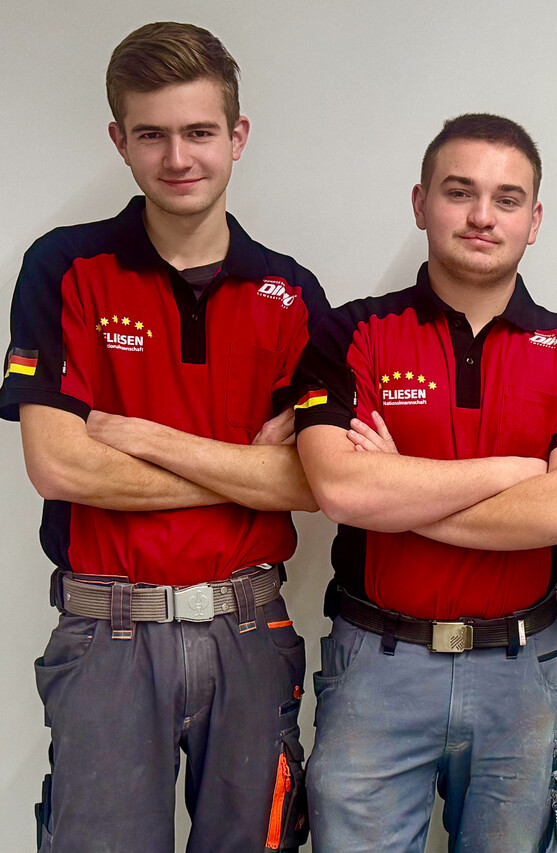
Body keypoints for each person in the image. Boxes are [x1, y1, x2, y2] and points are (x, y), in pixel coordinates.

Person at [0, 21, 328, 853]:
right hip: (107, 631)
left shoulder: (292, 293)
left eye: (199, 132)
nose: (178, 158)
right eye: (151, 135)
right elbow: (58, 464)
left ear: (237, 136)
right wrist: (248, 469)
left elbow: (315, 481)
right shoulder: (63, 269)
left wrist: (142, 436)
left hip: (249, 630)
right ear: (119, 140)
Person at [293, 113, 557, 853]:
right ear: (421, 204)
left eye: (507, 199)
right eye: (459, 191)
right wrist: (513, 474)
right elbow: (342, 491)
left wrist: (397, 489)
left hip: (522, 669)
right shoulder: (349, 333)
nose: (482, 216)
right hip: (377, 667)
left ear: (534, 220)